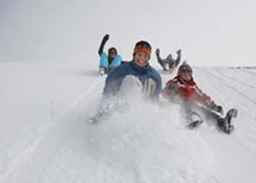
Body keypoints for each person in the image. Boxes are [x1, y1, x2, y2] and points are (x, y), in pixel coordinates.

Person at [161, 62, 237, 132]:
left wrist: (214, 106)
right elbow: (164, 93)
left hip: (191, 104)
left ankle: (222, 123)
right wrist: (171, 92)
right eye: (184, 73)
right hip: (177, 105)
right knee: (187, 103)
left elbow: (202, 97)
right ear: (179, 74)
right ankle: (190, 120)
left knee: (204, 110)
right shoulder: (175, 82)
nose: (186, 75)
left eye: (188, 73)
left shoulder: (193, 86)